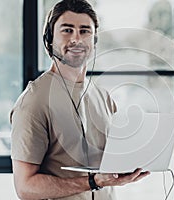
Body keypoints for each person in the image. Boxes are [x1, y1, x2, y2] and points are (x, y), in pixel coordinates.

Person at [10, 0, 150, 199]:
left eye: (85, 31)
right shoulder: (34, 101)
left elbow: (108, 167)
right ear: (49, 39)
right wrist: (93, 182)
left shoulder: (103, 97)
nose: (77, 39)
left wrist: (129, 167)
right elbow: (25, 187)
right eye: (67, 30)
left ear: (94, 42)